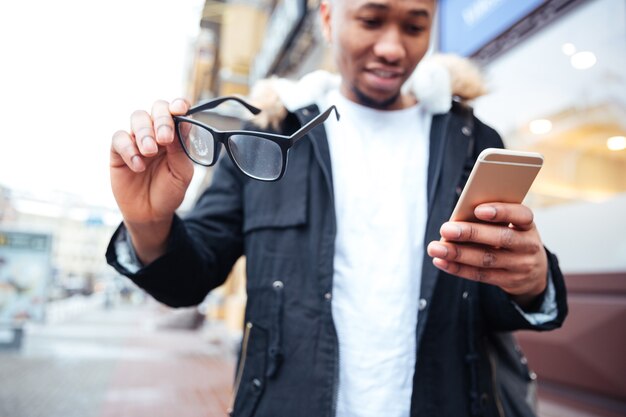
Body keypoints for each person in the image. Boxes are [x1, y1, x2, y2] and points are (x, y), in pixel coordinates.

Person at [106, 1, 568, 416]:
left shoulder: (472, 140)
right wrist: (148, 221)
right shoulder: (264, 137)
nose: (392, 47)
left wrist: (531, 282)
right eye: (371, 19)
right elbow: (190, 279)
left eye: (414, 25)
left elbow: (490, 300)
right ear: (327, 17)